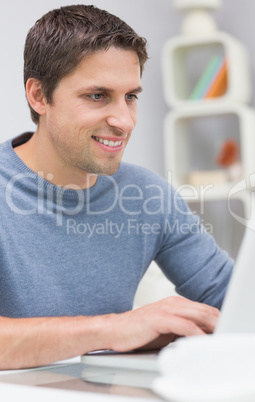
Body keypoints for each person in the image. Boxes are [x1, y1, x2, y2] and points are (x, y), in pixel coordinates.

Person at [0, 4, 233, 370]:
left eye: (131, 96)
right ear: (39, 96)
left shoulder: (148, 195)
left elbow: (232, 298)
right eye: (97, 95)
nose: (124, 121)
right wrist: (113, 329)